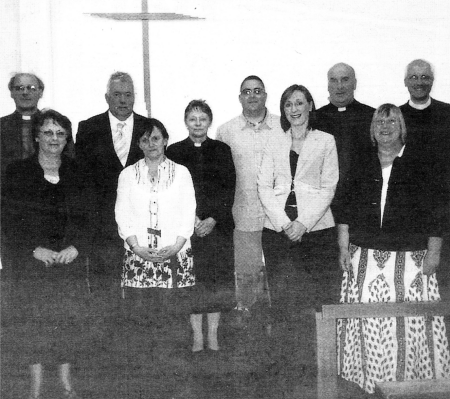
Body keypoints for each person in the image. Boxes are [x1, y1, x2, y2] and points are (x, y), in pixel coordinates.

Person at [335, 104, 450, 394]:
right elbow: (344, 206)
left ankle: (410, 385)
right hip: (366, 258)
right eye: (379, 122)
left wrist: (434, 252)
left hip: (412, 260)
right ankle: (369, 384)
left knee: (409, 323)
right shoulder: (362, 162)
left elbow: (438, 210)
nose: (385, 127)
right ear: (372, 129)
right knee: (369, 320)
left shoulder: (420, 162)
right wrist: (343, 246)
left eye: (392, 121)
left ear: (402, 127)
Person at [2, 109, 88, 399]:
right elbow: (9, 219)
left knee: (68, 323)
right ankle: (36, 388)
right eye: (48, 132)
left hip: (68, 261)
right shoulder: (17, 172)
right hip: (33, 263)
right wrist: (32, 249)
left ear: (67, 139)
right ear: (37, 136)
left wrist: (76, 247)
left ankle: (66, 385)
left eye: (60, 133)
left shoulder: (78, 172)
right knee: (33, 323)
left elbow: (90, 218)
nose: (54, 138)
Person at [258, 84, 338, 323]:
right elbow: (263, 187)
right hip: (277, 231)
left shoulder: (325, 141)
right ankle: (288, 359)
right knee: (283, 302)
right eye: (288, 104)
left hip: (317, 230)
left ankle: (320, 359)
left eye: (299, 103)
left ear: (310, 106)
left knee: (319, 298)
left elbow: (329, 186)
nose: (294, 109)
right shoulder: (273, 141)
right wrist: (285, 224)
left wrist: (302, 223)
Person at [115, 118, 196, 349]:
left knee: (175, 323)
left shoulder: (181, 173)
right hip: (139, 258)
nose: (151, 144)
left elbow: (188, 211)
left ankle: (175, 375)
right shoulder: (127, 175)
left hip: (174, 256)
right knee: (142, 323)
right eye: (144, 139)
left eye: (156, 138)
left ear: (165, 141)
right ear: (138, 144)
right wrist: (137, 248)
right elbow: (122, 214)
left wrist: (177, 246)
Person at [166, 100, 236, 352]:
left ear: (210, 121)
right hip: (187, 228)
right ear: (186, 121)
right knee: (191, 282)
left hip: (218, 227)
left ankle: (214, 336)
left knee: (216, 281)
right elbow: (172, 190)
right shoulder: (174, 151)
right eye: (193, 119)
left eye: (202, 119)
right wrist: (193, 220)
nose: (197, 124)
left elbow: (229, 188)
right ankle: (197, 337)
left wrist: (212, 219)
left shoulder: (221, 149)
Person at [216, 75, 284, 318]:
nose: (252, 96)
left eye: (257, 91)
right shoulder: (225, 131)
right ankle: (248, 331)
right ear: (239, 97)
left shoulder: (283, 126)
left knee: (279, 278)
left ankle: (276, 329)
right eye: (247, 91)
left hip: (279, 219)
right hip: (243, 216)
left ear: (266, 95)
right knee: (246, 279)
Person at [75, 72, 149, 281]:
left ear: (134, 97)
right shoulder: (88, 128)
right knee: (105, 285)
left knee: (142, 283)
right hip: (102, 223)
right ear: (107, 97)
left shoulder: (150, 127)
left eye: (128, 94)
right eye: (117, 94)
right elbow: (83, 178)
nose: (123, 100)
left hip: (141, 220)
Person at [315, 63, 374, 209]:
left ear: (355, 83)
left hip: (362, 201)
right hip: (324, 202)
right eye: (333, 80)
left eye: (345, 79)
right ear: (328, 85)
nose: (339, 86)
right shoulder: (315, 119)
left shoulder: (371, 116)